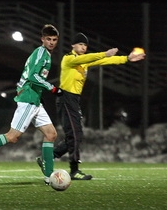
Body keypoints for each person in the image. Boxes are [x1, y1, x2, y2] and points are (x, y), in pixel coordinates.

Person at [37, 32, 146, 180]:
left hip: (74, 100)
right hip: (65, 98)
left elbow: (105, 61)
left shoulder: (84, 61)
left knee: (76, 135)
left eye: (85, 45)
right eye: (80, 44)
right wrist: (104, 53)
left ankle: (49, 157)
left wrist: (126, 58)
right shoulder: (68, 58)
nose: (83, 47)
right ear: (73, 45)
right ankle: (74, 170)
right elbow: (90, 58)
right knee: (74, 135)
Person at [0, 24, 62, 185]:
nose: (51, 42)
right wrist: (51, 88)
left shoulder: (45, 54)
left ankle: (48, 175)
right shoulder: (41, 53)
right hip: (28, 100)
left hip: (34, 99)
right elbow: (33, 76)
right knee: (12, 137)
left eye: (54, 40)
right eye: (48, 39)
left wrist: (39, 93)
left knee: (51, 134)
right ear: (42, 39)